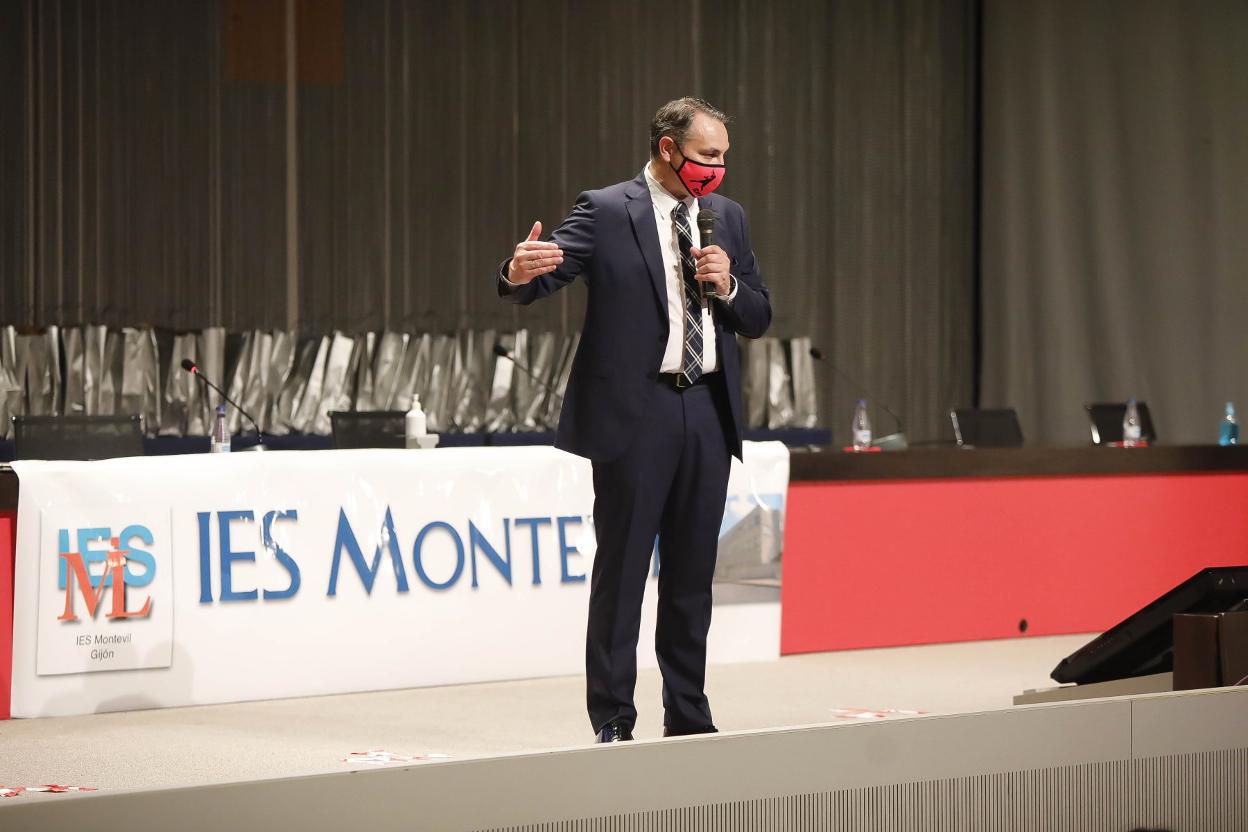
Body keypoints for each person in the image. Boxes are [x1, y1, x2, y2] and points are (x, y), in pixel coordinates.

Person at [496, 97, 772, 743]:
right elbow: (543, 274)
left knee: (691, 577)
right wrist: (515, 272)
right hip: (636, 413)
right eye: (708, 156)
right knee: (621, 573)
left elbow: (758, 316)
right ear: (669, 149)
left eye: (725, 158)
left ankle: (689, 715)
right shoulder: (607, 208)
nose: (718, 169)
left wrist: (729, 286)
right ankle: (614, 718)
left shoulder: (726, 217)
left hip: (706, 409)